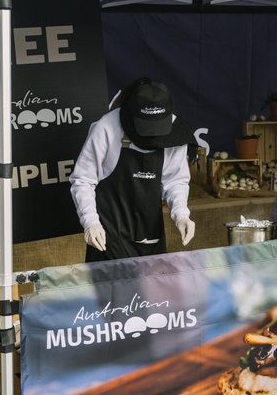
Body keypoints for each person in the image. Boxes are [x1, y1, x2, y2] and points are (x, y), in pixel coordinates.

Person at [70, 78, 196, 262]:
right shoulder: (107, 127)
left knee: (153, 289)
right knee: (113, 290)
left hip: (150, 236)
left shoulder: (175, 132)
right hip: (109, 237)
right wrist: (90, 222)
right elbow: (83, 180)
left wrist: (182, 215)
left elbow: (174, 181)